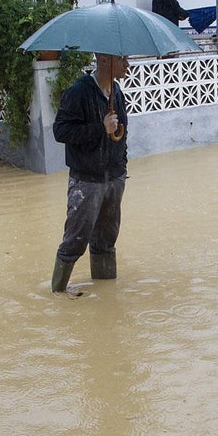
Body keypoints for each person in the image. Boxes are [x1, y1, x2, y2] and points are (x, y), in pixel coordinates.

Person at [51, 51, 130, 293]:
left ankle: (106, 293)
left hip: (114, 178)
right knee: (75, 240)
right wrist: (100, 128)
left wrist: (121, 168)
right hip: (87, 181)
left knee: (107, 240)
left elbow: (122, 134)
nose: (127, 64)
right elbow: (60, 131)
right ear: (105, 59)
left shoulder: (117, 92)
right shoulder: (79, 92)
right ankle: (58, 295)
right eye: (122, 59)